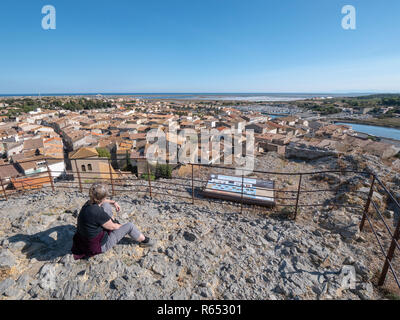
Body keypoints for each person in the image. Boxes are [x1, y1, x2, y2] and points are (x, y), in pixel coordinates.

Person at [71, 183, 153, 259]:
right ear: (102, 198)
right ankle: (145, 241)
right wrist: (123, 228)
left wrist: (113, 202)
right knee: (130, 226)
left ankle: (112, 221)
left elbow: (103, 202)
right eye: (105, 197)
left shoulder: (88, 203)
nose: (106, 199)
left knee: (106, 205)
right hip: (98, 246)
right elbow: (114, 227)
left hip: (84, 239)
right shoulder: (98, 213)